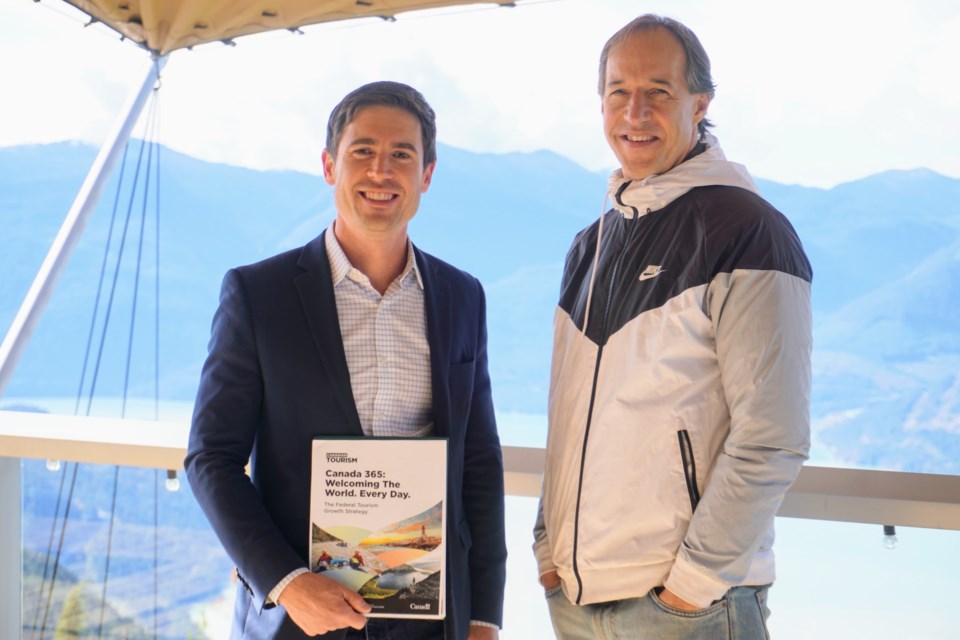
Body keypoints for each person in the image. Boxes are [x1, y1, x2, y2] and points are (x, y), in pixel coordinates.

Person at [185, 81, 506, 640]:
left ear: (426, 175)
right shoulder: (258, 295)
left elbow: (478, 462)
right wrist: (285, 582)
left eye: (402, 155)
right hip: (299, 615)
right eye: (363, 151)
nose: (381, 171)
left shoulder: (462, 296)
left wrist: (483, 618)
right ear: (330, 165)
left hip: (430, 621)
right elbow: (211, 458)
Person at [533, 14, 812, 639]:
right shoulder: (592, 243)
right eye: (618, 92)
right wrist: (548, 551)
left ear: (699, 103)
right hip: (578, 601)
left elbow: (774, 435)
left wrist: (691, 588)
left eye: (658, 91)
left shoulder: (748, 230)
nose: (635, 112)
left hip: (685, 609)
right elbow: (569, 412)